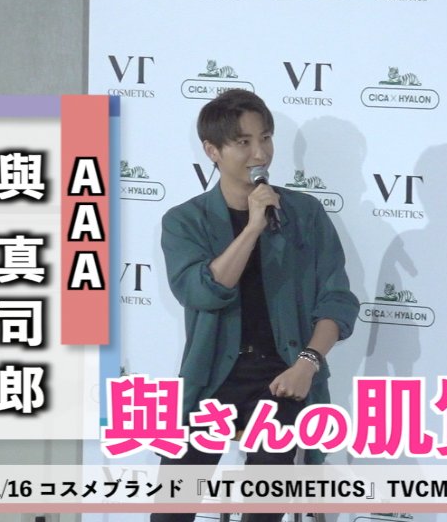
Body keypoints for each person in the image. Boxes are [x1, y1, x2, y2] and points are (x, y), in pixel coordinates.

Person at [154, 89, 360, 522]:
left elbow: (337, 300)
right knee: (171, 510)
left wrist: (307, 363)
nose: (260, 153)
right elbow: (201, 292)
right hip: (213, 378)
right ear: (212, 150)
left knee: (264, 504)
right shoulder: (185, 220)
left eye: (265, 138)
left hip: (283, 375)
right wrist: (251, 228)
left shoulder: (304, 213)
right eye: (244, 142)